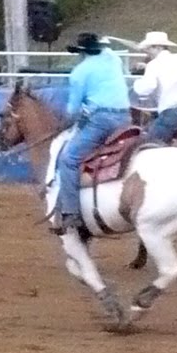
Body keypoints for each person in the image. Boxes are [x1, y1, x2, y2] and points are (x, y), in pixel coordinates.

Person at [57, 32, 131, 231]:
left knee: (69, 159)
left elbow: (73, 111)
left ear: (80, 52)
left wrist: (66, 122)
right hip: (125, 118)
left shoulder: (79, 73)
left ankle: (70, 213)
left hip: (101, 120)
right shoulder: (113, 58)